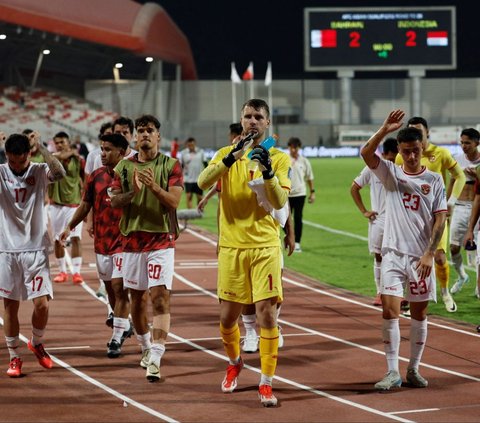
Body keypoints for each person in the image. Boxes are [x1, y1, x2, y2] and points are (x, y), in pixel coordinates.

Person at [198, 98, 291, 407]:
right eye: (248, 116)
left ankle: (266, 383)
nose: (252, 121)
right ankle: (235, 361)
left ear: (267, 123)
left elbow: (278, 203)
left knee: (266, 315)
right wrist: (231, 159)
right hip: (232, 247)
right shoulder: (225, 155)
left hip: (265, 246)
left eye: (258, 117)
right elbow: (202, 182)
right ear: (241, 121)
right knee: (227, 319)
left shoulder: (277, 158)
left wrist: (266, 171)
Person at [361, 110, 447, 391]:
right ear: (399, 150)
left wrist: (429, 253)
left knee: (420, 314)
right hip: (393, 254)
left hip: (420, 258)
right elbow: (365, 152)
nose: (411, 157)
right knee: (390, 312)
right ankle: (391, 371)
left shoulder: (434, 181)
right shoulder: (390, 173)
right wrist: (385, 128)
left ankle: (413, 369)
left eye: (416, 151)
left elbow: (440, 218)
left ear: (423, 149)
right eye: (406, 151)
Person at [110, 114, 183, 382]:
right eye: (140, 131)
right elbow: (115, 202)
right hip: (131, 244)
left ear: (158, 136)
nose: (144, 135)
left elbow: (174, 202)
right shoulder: (123, 168)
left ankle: (157, 355)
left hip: (161, 241)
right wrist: (134, 191)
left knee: (160, 298)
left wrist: (154, 188)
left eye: (149, 131)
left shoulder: (171, 165)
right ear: (135, 136)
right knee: (137, 301)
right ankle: (145, 347)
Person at [59, 133, 134, 358]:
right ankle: (124, 324)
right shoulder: (95, 176)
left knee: (120, 287)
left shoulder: (131, 174)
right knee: (111, 289)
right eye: (101, 149)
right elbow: (85, 204)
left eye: (108, 149)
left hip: (125, 241)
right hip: (102, 242)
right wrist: (69, 226)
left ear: (121, 152)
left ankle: (115, 338)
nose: (102, 154)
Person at [0, 133, 66, 377]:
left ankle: (36, 342)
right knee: (10, 305)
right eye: (12, 162)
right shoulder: (1, 171)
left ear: (29, 154)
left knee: (42, 304)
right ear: (7, 156)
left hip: (35, 248)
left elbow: (60, 174)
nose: (17, 167)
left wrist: (43, 151)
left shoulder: (39, 170)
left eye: (21, 161)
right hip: (6, 249)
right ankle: (14, 357)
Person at [396, 116, 465, 313]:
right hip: (414, 216)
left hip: (436, 215)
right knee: (412, 258)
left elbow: (459, 175)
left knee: (440, 257)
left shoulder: (440, 153)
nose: (416, 134)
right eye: (412, 130)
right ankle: (411, 297)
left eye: (419, 130)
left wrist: (451, 201)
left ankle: (444, 292)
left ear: (427, 132)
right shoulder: (402, 156)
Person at [351, 137, 398, 306]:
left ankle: (397, 292)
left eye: (395, 158)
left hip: (398, 221)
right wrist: (364, 211)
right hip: (378, 220)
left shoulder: (401, 168)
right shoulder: (371, 168)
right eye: (390, 158)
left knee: (398, 256)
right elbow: (354, 187)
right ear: (383, 154)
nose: (392, 161)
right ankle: (379, 291)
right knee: (379, 256)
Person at [48, 131, 86, 284]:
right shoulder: (51, 159)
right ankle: (62, 271)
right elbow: (54, 158)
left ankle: (76, 273)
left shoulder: (79, 160)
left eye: (62, 142)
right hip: (56, 204)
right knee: (58, 239)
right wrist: (64, 154)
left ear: (68, 142)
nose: (59, 145)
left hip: (73, 204)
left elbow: (84, 178)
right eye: (57, 142)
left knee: (76, 237)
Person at [448, 128, 480, 294]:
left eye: (467, 142)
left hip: (477, 209)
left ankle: (478, 286)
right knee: (453, 247)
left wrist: (477, 177)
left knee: (477, 251)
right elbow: (452, 182)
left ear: (477, 143)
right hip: (460, 207)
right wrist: (448, 205)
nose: (464, 146)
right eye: (462, 142)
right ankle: (462, 276)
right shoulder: (457, 159)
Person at [198, 123, 242, 213]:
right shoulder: (253, 156)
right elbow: (221, 182)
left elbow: (203, 182)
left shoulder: (224, 154)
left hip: (229, 210)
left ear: (234, 136)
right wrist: (207, 197)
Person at [286, 137, 315, 253]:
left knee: (298, 218)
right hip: (286, 194)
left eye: (296, 147)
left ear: (299, 148)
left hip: (300, 194)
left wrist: (312, 192)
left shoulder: (304, 161)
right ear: (289, 147)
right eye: (292, 147)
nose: (294, 150)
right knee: (284, 220)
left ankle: (297, 243)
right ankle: (289, 237)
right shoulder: (284, 160)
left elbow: (309, 178)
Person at [179, 137, 206, 209]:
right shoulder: (183, 153)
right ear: (187, 145)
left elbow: (205, 164)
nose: (191, 146)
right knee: (189, 197)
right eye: (189, 145)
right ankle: (190, 213)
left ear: (195, 144)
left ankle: (199, 211)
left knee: (200, 197)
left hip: (199, 179)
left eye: (192, 145)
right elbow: (181, 166)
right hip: (188, 179)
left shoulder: (201, 152)